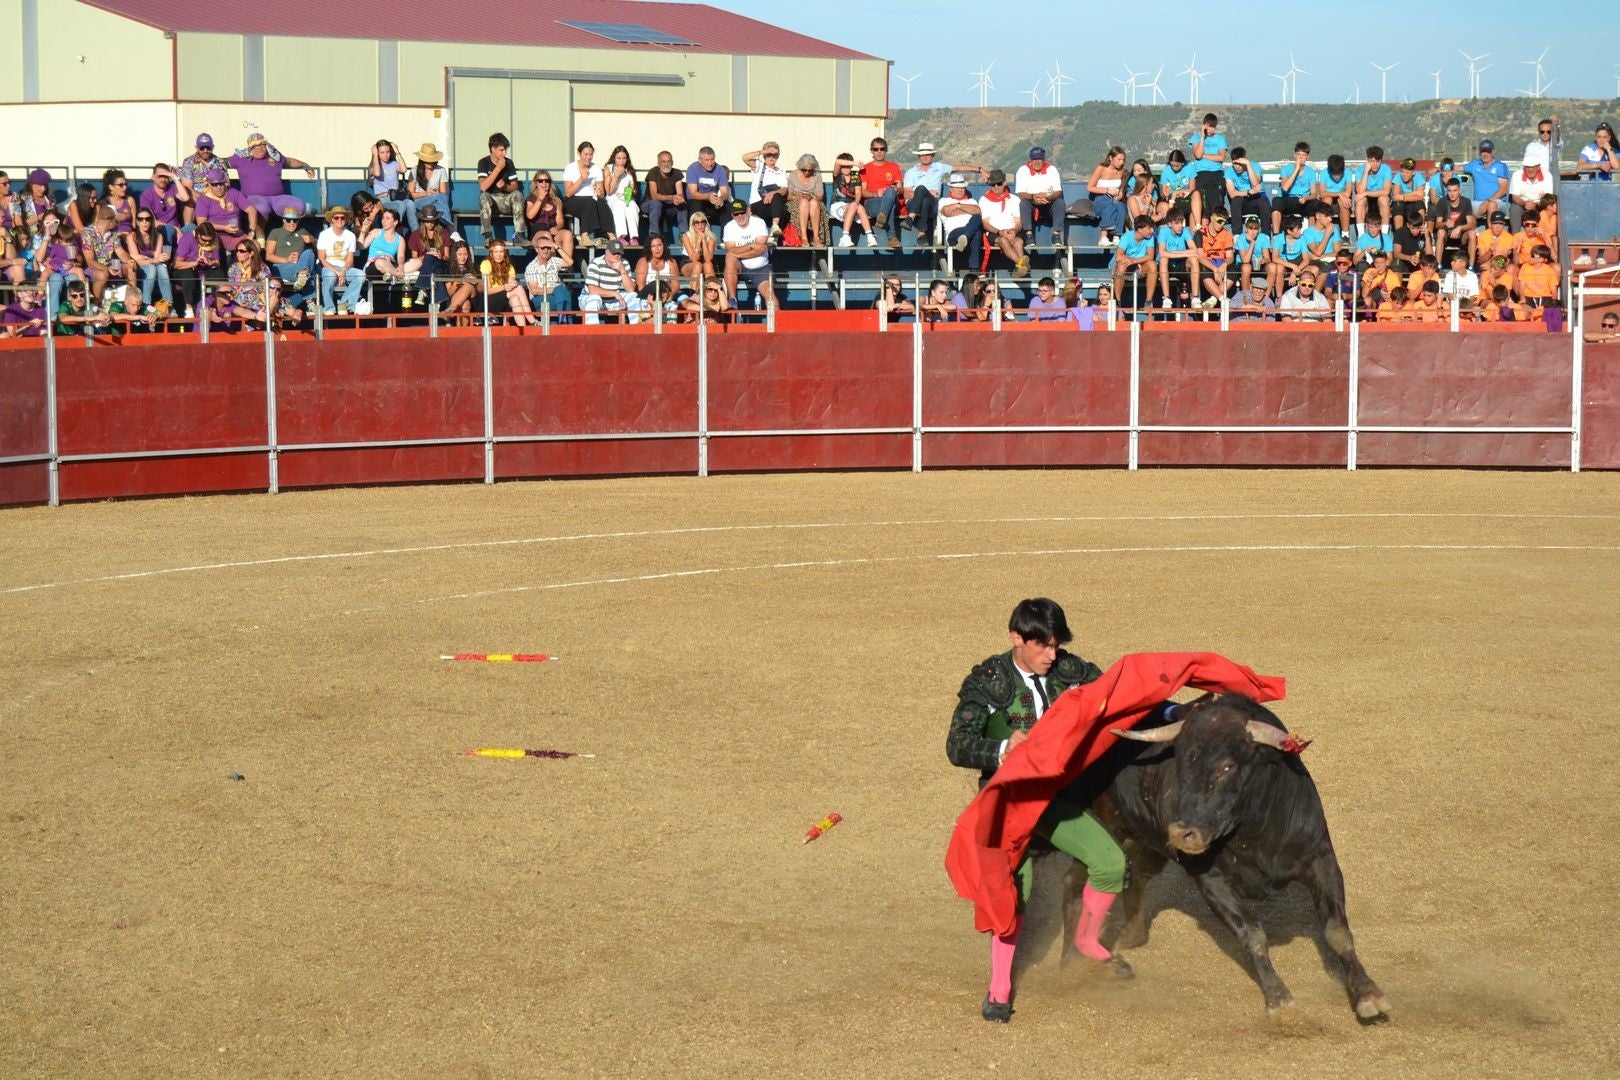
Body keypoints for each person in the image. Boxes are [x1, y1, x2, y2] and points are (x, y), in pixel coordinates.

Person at [947, 598, 1126, 1023]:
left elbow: (1117, 700)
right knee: (1012, 890)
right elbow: (956, 744)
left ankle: (1085, 938)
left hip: (1055, 798)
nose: (1052, 654)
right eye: (1043, 645)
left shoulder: (1070, 670)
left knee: (1111, 863)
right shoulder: (988, 681)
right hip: (1006, 800)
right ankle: (999, 987)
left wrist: (1178, 711)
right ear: (1017, 638)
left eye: (1056, 644)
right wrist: (1001, 749)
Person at [228, 131, 317, 233]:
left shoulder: (274, 156)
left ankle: (283, 236)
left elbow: (290, 162)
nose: (259, 148)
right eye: (255, 146)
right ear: (250, 149)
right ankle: (260, 240)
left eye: (262, 144)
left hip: (277, 198)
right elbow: (222, 162)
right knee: (262, 208)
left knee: (299, 205)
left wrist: (306, 166)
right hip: (253, 197)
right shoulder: (240, 158)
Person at [905, 142, 982, 246]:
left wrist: (979, 170)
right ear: (919, 156)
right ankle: (921, 234)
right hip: (914, 203)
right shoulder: (911, 172)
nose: (925, 157)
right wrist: (924, 192)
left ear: (933, 156)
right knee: (922, 190)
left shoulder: (939, 167)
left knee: (926, 197)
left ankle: (910, 219)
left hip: (932, 204)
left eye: (928, 154)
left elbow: (959, 168)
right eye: (923, 154)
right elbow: (907, 194)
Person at [579, 238, 648, 324]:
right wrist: (614, 293)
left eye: (619, 253)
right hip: (589, 299)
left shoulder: (623, 263)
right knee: (594, 298)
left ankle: (636, 328)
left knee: (634, 296)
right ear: (607, 251)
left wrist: (622, 270)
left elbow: (631, 289)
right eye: (614, 253)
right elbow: (592, 290)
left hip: (613, 300)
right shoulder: (596, 263)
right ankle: (593, 333)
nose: (616, 256)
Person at [721, 198, 776, 308]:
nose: (740, 216)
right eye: (736, 214)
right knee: (729, 258)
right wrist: (751, 245)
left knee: (771, 298)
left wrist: (738, 253)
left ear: (748, 211)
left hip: (761, 268)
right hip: (740, 267)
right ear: (732, 215)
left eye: (742, 212)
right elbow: (730, 250)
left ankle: (780, 324)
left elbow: (761, 249)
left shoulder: (759, 223)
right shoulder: (729, 227)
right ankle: (733, 300)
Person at [477, 133, 527, 248]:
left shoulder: (509, 163)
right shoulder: (483, 162)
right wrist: (498, 168)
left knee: (518, 195)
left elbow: (515, 186)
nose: (504, 153)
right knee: (483, 196)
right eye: (501, 150)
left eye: (505, 150)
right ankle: (488, 236)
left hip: (506, 200)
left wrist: (505, 187)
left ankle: (519, 235)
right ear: (492, 149)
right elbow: (483, 186)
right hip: (491, 201)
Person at [562, 141, 614, 249]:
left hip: (591, 199)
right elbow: (568, 192)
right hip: (573, 199)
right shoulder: (570, 167)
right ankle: (584, 235)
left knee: (601, 201)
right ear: (579, 154)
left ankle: (610, 234)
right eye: (586, 154)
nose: (588, 157)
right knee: (590, 202)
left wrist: (600, 193)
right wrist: (582, 179)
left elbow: (601, 191)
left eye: (590, 155)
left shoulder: (596, 168)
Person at [316, 205, 364, 316]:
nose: (339, 220)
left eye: (342, 217)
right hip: (328, 266)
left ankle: (344, 304)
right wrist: (337, 272)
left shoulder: (351, 235)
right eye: (336, 217)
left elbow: (350, 258)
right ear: (332, 219)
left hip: (344, 267)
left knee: (360, 275)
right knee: (330, 276)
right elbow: (322, 258)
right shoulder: (324, 235)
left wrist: (343, 271)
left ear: (347, 219)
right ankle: (329, 307)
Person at [124, 205, 173, 315]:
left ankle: (168, 306)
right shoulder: (132, 236)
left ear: (152, 221)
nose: (144, 222)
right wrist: (153, 260)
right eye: (141, 219)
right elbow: (135, 258)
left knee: (162, 269)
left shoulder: (158, 236)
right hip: (139, 268)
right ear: (137, 222)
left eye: (148, 219)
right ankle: (146, 305)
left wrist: (150, 259)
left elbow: (158, 258)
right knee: (152, 268)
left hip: (153, 266)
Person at [1014, 146, 1066, 248]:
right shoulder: (1022, 170)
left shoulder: (1052, 169)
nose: (1037, 162)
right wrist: (1034, 196)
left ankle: (1056, 235)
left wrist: (1048, 197)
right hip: (1032, 203)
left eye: (1039, 159)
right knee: (1023, 203)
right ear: (1030, 160)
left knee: (1060, 202)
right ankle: (1029, 236)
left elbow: (1058, 191)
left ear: (1044, 159)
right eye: (1034, 159)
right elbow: (1021, 193)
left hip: (1049, 202)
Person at [264, 204, 316, 306]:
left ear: (298, 221)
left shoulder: (302, 231)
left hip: (300, 265)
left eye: (295, 220)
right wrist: (286, 259)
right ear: (283, 220)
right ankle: (310, 302)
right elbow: (268, 256)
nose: (291, 223)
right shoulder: (275, 232)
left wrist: (312, 240)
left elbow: (320, 245)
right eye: (288, 220)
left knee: (309, 252)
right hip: (282, 267)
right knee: (310, 272)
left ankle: (302, 274)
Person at [978, 170, 1027, 276]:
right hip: (994, 232)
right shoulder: (984, 200)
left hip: (1012, 231)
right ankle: (1022, 265)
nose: (996, 186)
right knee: (1003, 241)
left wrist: (1014, 230)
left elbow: (1018, 221)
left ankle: (1019, 269)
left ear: (1004, 182)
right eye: (992, 184)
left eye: (999, 183)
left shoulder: (1014, 199)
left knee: (1018, 242)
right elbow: (985, 224)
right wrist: (1000, 232)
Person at [522, 171, 577, 265]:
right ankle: (552, 266)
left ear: (550, 183)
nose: (544, 183)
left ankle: (566, 265)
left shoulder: (556, 200)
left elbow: (560, 221)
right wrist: (540, 199)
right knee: (546, 235)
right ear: (536, 183)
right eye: (540, 181)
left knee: (567, 233)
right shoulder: (531, 199)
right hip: (537, 235)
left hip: (553, 233)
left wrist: (557, 228)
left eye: (546, 181)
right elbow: (530, 215)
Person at [171, 221, 224, 316]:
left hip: (204, 271)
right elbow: (176, 264)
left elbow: (217, 262)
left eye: (209, 241)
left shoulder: (214, 240)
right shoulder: (187, 239)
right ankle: (189, 308)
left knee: (217, 272)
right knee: (188, 274)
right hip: (184, 269)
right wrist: (194, 263)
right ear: (198, 235)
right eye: (204, 240)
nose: (206, 243)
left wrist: (211, 262)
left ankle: (216, 305)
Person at [859, 137, 903, 249]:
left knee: (890, 192)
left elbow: (901, 189)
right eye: (876, 149)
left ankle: (883, 215)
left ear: (885, 150)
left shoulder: (894, 167)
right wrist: (876, 193)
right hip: (872, 202)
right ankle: (891, 238)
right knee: (890, 206)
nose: (879, 152)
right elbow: (862, 192)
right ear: (872, 151)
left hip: (891, 198)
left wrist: (895, 189)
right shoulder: (865, 168)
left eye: (882, 149)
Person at [192, 165, 250, 251]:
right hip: (215, 236)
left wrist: (251, 232)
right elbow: (201, 223)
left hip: (236, 235)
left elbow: (251, 210)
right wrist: (224, 228)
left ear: (225, 182)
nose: (218, 187)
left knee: (255, 246)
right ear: (209, 184)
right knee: (213, 249)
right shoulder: (204, 199)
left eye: (221, 183)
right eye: (214, 184)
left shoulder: (233, 193)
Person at [479, 240, 535, 326]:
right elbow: (487, 291)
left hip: (505, 298)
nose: (499, 255)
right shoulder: (486, 264)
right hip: (490, 300)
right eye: (496, 252)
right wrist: (504, 287)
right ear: (491, 253)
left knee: (515, 299)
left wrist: (512, 284)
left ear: (505, 253)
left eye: (501, 251)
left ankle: (523, 329)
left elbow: (511, 285)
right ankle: (532, 321)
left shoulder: (509, 266)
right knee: (519, 289)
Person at [1186, 112, 1228, 224]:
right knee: (1204, 206)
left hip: (1217, 173)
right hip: (1201, 173)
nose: (1211, 129)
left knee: (1216, 204)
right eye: (1209, 126)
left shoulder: (1220, 138)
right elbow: (1198, 154)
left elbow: (1221, 157)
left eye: (1214, 127)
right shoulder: (1196, 138)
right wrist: (1203, 137)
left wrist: (1204, 156)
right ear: (1204, 125)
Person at [741, 141, 788, 240]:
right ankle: (773, 232)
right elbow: (745, 158)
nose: (771, 157)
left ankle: (774, 229)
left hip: (774, 204)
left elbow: (784, 189)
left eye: (774, 155)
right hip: (758, 205)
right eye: (769, 155)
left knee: (779, 197)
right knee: (778, 199)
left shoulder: (781, 171)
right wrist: (763, 151)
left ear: (778, 156)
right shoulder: (759, 166)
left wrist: (773, 193)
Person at [368, 139, 417, 230]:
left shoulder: (394, 163)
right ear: (378, 153)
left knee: (410, 203)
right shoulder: (374, 166)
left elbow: (404, 170)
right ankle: (392, 229)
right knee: (401, 205)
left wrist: (397, 152)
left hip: (396, 197)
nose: (386, 155)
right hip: (383, 199)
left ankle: (416, 234)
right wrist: (375, 155)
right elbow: (377, 173)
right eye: (382, 152)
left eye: (388, 152)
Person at [1111, 214, 1157, 310]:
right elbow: (1119, 256)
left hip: (1139, 266)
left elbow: (1150, 256)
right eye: (1149, 228)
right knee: (1122, 265)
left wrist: (1134, 261)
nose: (1152, 231)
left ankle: (1148, 301)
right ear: (1140, 230)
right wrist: (1131, 261)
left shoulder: (1150, 237)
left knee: (1152, 265)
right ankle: (1117, 301)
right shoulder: (1127, 236)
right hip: (1125, 266)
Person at [522, 234, 574, 320]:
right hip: (540, 298)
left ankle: (563, 321)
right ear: (536, 249)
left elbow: (570, 262)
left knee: (563, 295)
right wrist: (555, 289)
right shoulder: (531, 267)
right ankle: (565, 323)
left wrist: (556, 246)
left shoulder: (553, 260)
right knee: (563, 293)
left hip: (557, 296)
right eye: (543, 248)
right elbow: (534, 291)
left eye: (548, 248)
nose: (546, 250)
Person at [829, 154, 877, 248]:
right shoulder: (837, 175)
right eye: (844, 166)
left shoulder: (855, 176)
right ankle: (845, 237)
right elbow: (838, 161)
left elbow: (858, 192)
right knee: (854, 206)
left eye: (848, 166)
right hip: (837, 205)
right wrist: (855, 163)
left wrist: (857, 201)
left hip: (851, 205)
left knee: (859, 206)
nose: (846, 168)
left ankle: (870, 236)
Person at [1222, 148, 1269, 238]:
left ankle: (1265, 235)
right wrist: (1249, 192)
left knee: (1264, 201)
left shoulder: (1254, 166)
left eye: (1240, 163)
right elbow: (1232, 193)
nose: (1237, 167)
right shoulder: (1229, 172)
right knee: (1236, 201)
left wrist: (1248, 165)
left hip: (1257, 200)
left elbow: (1255, 184)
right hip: (1243, 201)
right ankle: (1236, 235)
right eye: (1235, 163)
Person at [1086, 147, 1129, 246]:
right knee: (1108, 204)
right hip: (1100, 199)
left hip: (1115, 200)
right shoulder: (1101, 169)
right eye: (1119, 159)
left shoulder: (1122, 171)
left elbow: (1122, 186)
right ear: (1111, 158)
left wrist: (1121, 193)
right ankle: (1103, 237)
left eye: (1123, 160)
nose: (1121, 162)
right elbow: (1089, 187)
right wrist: (1107, 190)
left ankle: (1116, 236)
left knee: (1121, 207)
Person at [1155, 209, 1197, 310]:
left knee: (1193, 259)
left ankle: (1195, 297)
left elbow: (1194, 250)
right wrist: (1184, 252)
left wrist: (1172, 253)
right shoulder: (1163, 231)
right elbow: (1162, 252)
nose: (1180, 226)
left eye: (1181, 222)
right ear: (1169, 224)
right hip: (1167, 266)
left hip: (1180, 265)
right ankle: (1166, 298)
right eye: (1176, 223)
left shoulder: (1185, 231)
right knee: (1164, 259)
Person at [938, 173, 984, 265]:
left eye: (962, 187)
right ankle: (974, 268)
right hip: (953, 234)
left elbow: (977, 211)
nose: (960, 190)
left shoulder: (972, 201)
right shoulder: (943, 201)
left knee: (977, 218)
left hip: (970, 233)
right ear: (950, 188)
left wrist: (958, 206)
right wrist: (968, 210)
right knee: (976, 231)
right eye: (957, 187)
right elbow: (947, 212)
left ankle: (965, 237)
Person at [601, 144, 641, 246]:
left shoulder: (629, 170)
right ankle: (621, 236)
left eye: (624, 158)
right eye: (619, 158)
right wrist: (617, 176)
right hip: (613, 197)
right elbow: (609, 191)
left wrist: (632, 189)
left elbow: (634, 189)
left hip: (626, 196)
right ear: (614, 158)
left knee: (632, 206)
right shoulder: (609, 168)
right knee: (619, 206)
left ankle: (633, 237)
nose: (622, 161)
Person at [643, 150, 687, 244]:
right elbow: (654, 196)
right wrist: (673, 197)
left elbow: (680, 193)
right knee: (656, 204)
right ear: (658, 163)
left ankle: (684, 235)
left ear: (672, 162)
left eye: (668, 161)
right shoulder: (653, 172)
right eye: (663, 161)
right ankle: (653, 236)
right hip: (649, 204)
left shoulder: (677, 173)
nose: (666, 164)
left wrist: (679, 199)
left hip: (667, 206)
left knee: (682, 203)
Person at [138, 163, 189, 244]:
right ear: (153, 177)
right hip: (159, 231)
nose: (163, 179)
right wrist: (174, 228)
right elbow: (151, 220)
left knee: (192, 228)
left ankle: (187, 256)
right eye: (160, 176)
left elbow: (185, 198)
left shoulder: (172, 188)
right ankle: (167, 256)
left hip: (177, 231)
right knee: (169, 229)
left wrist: (174, 177)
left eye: (166, 176)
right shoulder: (146, 196)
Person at [1271, 142, 1315, 234]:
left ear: (1308, 157)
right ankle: (1275, 235)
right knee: (1276, 201)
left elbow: (1314, 193)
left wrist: (1306, 198)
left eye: (1304, 155)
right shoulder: (1286, 169)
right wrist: (1296, 169)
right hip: (1288, 200)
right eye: (1298, 154)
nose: (1301, 157)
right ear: (1294, 155)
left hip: (1303, 201)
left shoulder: (1311, 172)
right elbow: (1285, 188)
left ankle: (1312, 235)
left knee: (1315, 205)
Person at [784, 154, 827, 248]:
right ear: (800, 167)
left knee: (814, 203)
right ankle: (804, 237)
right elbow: (788, 195)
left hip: (813, 201)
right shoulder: (793, 175)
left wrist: (811, 196)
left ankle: (816, 238)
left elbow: (820, 196)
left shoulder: (817, 175)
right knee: (804, 202)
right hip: (796, 202)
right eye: (804, 170)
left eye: (810, 170)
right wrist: (796, 197)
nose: (807, 172)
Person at [406, 143, 451, 231]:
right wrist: (426, 193)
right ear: (422, 160)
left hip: (436, 200)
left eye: (432, 160)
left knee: (442, 197)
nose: (430, 163)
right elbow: (410, 194)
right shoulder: (415, 171)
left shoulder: (441, 170)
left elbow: (443, 193)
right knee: (440, 198)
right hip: (420, 201)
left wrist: (435, 193)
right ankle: (449, 225)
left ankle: (445, 222)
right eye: (427, 160)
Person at [1195, 211, 1234, 307]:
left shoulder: (1226, 234)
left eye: (1225, 222)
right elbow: (1200, 257)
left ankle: (1213, 299)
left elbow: (1230, 257)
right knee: (1202, 269)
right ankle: (1222, 299)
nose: (1222, 224)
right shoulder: (1200, 233)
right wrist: (1215, 269)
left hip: (1221, 261)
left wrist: (1223, 265)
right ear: (1212, 218)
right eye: (1220, 221)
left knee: (1234, 270)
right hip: (1207, 261)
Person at [1462, 141, 1510, 221]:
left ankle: (1490, 232)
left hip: (1498, 202)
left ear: (1493, 152)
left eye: (1488, 152)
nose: (1485, 154)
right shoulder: (1475, 165)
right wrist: (1438, 169)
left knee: (1491, 205)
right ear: (1479, 153)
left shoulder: (1501, 166)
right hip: (1479, 203)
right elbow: (1455, 168)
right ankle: (1471, 232)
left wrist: (1488, 201)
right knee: (1463, 206)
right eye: (1483, 152)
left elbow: (1503, 190)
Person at [437, 241, 482, 325]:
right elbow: (448, 294)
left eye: (465, 254)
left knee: (468, 285)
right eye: (459, 254)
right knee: (465, 304)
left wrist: (475, 282)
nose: (463, 257)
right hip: (456, 300)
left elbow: (482, 289)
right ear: (454, 255)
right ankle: (461, 334)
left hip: (474, 299)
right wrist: (457, 282)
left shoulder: (473, 267)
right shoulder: (448, 269)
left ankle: (449, 311)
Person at [685, 146, 732, 224]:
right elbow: (693, 194)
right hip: (696, 201)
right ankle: (696, 235)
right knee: (696, 204)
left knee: (728, 206)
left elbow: (725, 193)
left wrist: (721, 198)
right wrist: (708, 196)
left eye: (712, 160)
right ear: (700, 160)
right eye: (707, 160)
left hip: (712, 202)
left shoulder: (720, 170)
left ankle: (725, 235)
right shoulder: (692, 168)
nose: (710, 163)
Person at [174, 133, 220, 214]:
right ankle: (188, 227)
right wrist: (205, 200)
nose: (205, 150)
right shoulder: (189, 162)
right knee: (190, 201)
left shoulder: (219, 162)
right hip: (197, 197)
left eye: (208, 148)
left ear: (212, 147)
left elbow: (226, 183)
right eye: (202, 148)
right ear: (197, 148)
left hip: (216, 197)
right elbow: (187, 188)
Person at [634, 233, 680, 311]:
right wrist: (653, 298)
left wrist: (668, 296)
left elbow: (676, 285)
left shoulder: (671, 262)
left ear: (664, 246)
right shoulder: (643, 261)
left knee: (673, 307)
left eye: (659, 245)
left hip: (666, 296)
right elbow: (641, 286)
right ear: (649, 248)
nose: (657, 248)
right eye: (653, 246)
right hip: (648, 297)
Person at [1232, 214, 1274, 297]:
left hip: (1258, 264)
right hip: (1244, 264)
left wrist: (1264, 260)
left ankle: (1266, 297)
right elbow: (1245, 261)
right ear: (1246, 229)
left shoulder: (1263, 237)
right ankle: (1247, 297)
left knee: (1272, 267)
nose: (1253, 231)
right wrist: (1252, 243)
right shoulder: (1241, 238)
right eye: (1250, 228)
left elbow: (1267, 258)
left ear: (1259, 229)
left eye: (1255, 229)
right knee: (1246, 267)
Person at [1354, 146, 1392, 233]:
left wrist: (1365, 193)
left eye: (1378, 161)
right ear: (1367, 160)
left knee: (1384, 199)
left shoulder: (1386, 169)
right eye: (1372, 161)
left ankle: (1384, 234)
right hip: (1367, 202)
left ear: (1381, 161)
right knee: (1360, 200)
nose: (1375, 164)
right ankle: (1361, 235)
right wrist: (1366, 172)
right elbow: (1359, 191)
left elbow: (1386, 191)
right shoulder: (1360, 170)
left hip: (1379, 200)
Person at [1315, 154, 1354, 237]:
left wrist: (1341, 196)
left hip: (1342, 204)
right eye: (1334, 174)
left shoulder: (1348, 172)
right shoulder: (1324, 173)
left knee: (1343, 201)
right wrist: (1340, 194)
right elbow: (1322, 193)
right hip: (1329, 203)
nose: (1337, 176)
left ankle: (1345, 235)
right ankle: (1325, 230)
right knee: (1327, 199)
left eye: (1339, 173)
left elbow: (1348, 193)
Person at [680, 211, 718, 296]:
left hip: (705, 263)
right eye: (696, 222)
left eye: (702, 222)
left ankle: (711, 293)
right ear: (692, 225)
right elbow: (694, 259)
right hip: (688, 262)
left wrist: (704, 241)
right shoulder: (686, 236)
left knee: (708, 264)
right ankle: (693, 295)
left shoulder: (711, 238)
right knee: (697, 265)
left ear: (706, 223)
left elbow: (708, 259)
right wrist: (698, 242)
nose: (700, 225)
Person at [1158, 149, 1197, 223]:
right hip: (1173, 200)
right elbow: (1164, 193)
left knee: (1194, 201)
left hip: (1187, 196)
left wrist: (1176, 192)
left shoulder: (1190, 167)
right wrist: (1165, 192)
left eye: (1177, 166)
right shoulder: (1166, 170)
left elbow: (1192, 188)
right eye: (1172, 165)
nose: (1174, 168)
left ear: (1182, 163)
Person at [1389, 157, 1427, 231]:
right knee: (1397, 205)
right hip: (1401, 204)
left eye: (1407, 172)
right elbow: (1395, 196)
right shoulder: (1398, 176)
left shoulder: (1418, 177)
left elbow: (1420, 197)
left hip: (1413, 203)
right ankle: (1399, 234)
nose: (1404, 175)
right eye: (1403, 172)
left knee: (1419, 205)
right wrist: (1415, 193)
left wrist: (1402, 197)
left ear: (1413, 173)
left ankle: (1421, 230)